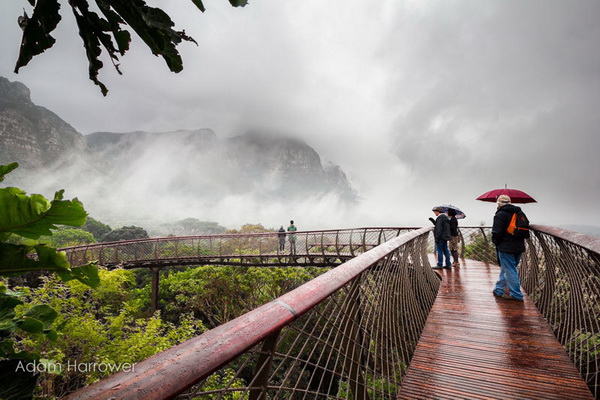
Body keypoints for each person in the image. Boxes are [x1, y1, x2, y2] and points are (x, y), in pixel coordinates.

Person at [491, 195, 526, 301]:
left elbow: (497, 232)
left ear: (499, 203)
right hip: (519, 246)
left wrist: (496, 242)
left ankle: (516, 294)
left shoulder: (500, 215)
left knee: (510, 270)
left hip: (506, 247)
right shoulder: (519, 212)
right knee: (507, 268)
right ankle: (499, 289)